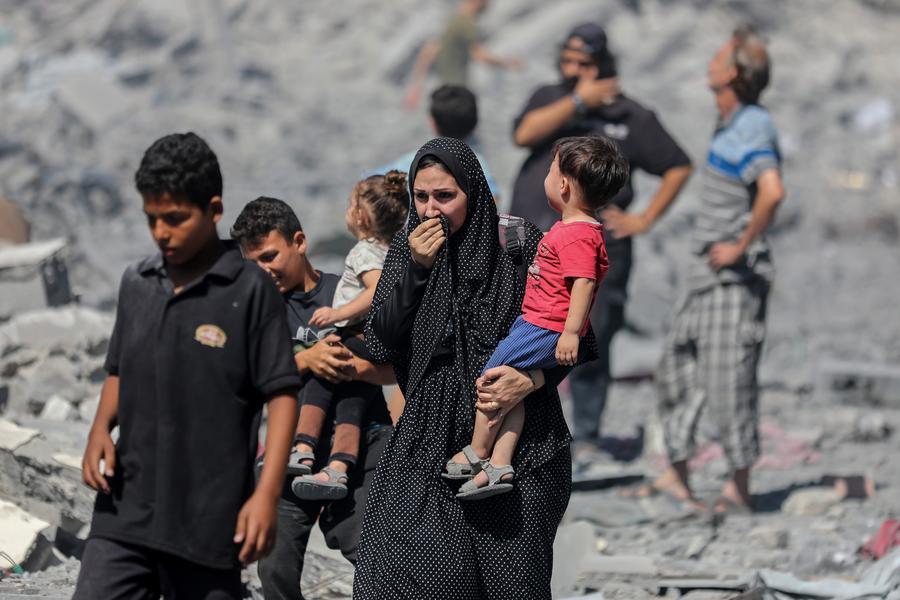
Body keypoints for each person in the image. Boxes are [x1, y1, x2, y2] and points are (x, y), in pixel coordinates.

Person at [353, 137, 596, 599]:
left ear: (474, 192)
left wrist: (530, 379)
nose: (431, 210)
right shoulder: (409, 252)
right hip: (428, 441)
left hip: (520, 445)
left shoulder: (520, 247)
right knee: (406, 572)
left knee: (512, 584)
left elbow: (580, 336)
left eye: (445, 196)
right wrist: (418, 270)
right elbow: (380, 342)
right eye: (421, 197)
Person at [74, 133, 302, 599]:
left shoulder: (250, 290)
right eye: (152, 218)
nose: (161, 232)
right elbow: (118, 369)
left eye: (175, 219)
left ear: (214, 210)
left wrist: (265, 496)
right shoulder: (136, 283)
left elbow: (281, 395)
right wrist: (100, 429)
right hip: (125, 510)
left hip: (208, 518)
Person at [510, 22, 692, 463]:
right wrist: (576, 102)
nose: (574, 70)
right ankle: (520, 429)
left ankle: (586, 435)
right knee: (520, 329)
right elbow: (522, 134)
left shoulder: (630, 116)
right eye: (567, 61)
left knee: (593, 332)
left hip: (594, 245)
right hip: (531, 239)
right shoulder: (549, 97)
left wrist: (645, 217)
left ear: (603, 65)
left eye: (584, 64)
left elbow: (677, 165)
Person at [230, 196, 396, 600]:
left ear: (299, 241)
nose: (264, 270)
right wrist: (307, 361)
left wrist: (351, 367)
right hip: (289, 452)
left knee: (377, 553)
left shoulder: (350, 291)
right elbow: (243, 377)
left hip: (366, 441)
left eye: (270, 256)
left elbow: (395, 367)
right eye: (254, 263)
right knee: (276, 566)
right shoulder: (253, 310)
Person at [445, 136, 627, 501]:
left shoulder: (577, 234)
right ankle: (500, 462)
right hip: (539, 322)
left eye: (550, 169)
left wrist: (570, 333)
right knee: (513, 396)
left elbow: (584, 283)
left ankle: (477, 450)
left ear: (563, 184)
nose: (546, 176)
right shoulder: (575, 229)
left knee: (491, 382)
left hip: (545, 326)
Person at [652, 26, 785, 513]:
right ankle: (678, 477)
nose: (711, 62)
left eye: (719, 57)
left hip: (733, 277)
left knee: (729, 380)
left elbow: (772, 191)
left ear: (733, 74)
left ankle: (738, 489)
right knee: (676, 371)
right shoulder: (729, 121)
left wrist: (740, 245)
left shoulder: (752, 124)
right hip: (704, 273)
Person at [288, 173, 408, 499]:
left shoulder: (364, 251)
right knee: (350, 400)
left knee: (320, 376)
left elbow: (376, 290)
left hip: (357, 333)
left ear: (359, 215)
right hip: (379, 341)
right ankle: (338, 469)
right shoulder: (395, 252)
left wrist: (338, 314)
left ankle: (302, 447)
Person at [373, 85, 501, 200]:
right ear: (475, 125)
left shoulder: (410, 162)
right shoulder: (478, 164)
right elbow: (493, 200)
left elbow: (369, 182)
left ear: (432, 123)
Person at [404, 0, 522, 108]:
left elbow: (427, 53)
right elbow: (481, 56)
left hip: (443, 88)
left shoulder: (452, 21)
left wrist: (415, 87)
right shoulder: (467, 24)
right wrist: (508, 63)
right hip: (457, 90)